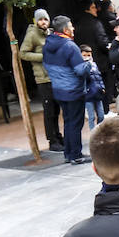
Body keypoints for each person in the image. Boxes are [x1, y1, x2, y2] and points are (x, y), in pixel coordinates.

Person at [42, 15, 92, 166]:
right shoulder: (70, 46)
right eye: (71, 26)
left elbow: (46, 66)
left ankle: (69, 154)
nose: (73, 28)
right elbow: (80, 70)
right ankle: (76, 155)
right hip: (73, 90)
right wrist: (89, 63)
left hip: (58, 90)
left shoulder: (47, 44)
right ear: (65, 30)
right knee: (75, 123)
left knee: (68, 122)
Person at [19, 8, 63, 152]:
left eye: (45, 19)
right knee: (49, 110)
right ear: (36, 21)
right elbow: (23, 53)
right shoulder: (32, 34)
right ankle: (52, 140)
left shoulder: (51, 33)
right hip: (43, 78)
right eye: (40, 20)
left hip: (54, 76)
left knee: (56, 109)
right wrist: (43, 57)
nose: (43, 22)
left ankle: (58, 136)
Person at [74, 0, 113, 111]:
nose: (96, 9)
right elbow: (103, 42)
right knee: (103, 86)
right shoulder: (96, 23)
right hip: (100, 61)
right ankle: (105, 110)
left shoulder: (76, 25)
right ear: (87, 9)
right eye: (93, 7)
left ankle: (92, 112)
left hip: (83, 62)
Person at [81, 44, 107, 132]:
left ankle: (100, 131)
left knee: (101, 115)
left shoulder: (94, 64)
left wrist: (102, 87)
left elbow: (99, 77)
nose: (87, 57)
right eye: (84, 55)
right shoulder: (81, 66)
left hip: (98, 92)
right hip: (88, 94)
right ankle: (93, 133)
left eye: (89, 55)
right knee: (91, 116)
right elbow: (84, 78)